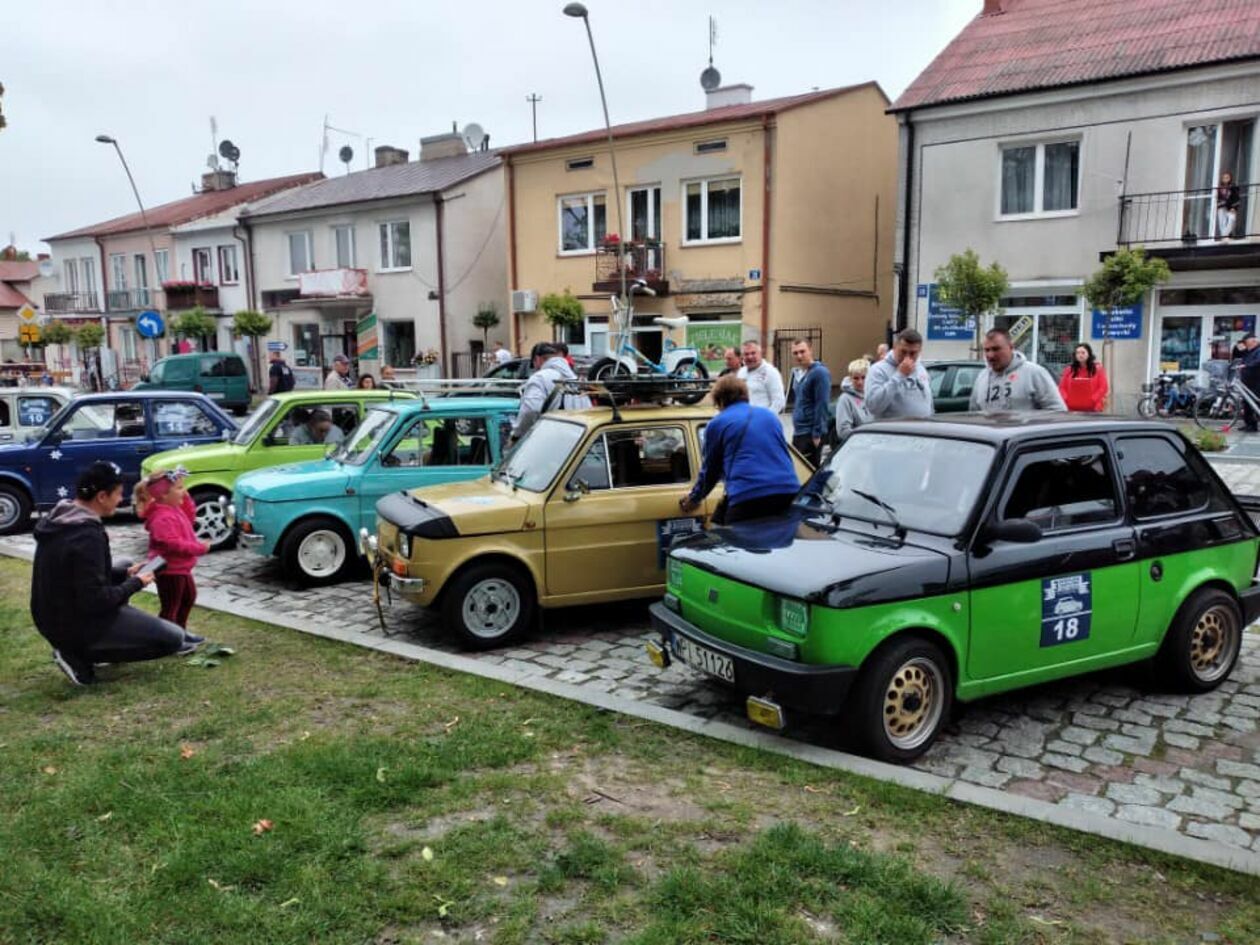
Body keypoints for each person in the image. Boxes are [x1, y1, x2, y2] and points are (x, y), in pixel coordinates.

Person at [29, 461, 191, 686]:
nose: (121, 499)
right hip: (70, 625)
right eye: (118, 494)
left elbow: (77, 575)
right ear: (102, 497)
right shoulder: (86, 535)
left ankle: (97, 643)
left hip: (52, 614)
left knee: (124, 564)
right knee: (173, 638)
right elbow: (95, 600)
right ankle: (78, 654)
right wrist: (136, 582)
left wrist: (126, 573)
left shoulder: (62, 517)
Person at [680, 375, 800, 524]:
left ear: (720, 400)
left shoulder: (717, 423)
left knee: (728, 534)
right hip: (789, 490)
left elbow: (711, 470)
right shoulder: (770, 416)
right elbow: (783, 454)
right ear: (745, 395)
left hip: (748, 495)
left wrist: (694, 499)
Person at [139, 469, 209, 631]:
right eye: (179, 488)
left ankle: (180, 631)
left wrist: (185, 497)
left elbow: (190, 517)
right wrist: (198, 548)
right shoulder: (161, 518)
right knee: (171, 606)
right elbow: (172, 544)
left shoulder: (174, 509)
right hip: (169, 569)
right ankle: (167, 636)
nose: (184, 491)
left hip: (180, 567)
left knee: (188, 598)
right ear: (163, 495)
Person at [970, 328, 1066, 413]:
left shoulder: (1034, 373)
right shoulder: (982, 377)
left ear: (1011, 347)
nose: (990, 355)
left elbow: (1058, 412)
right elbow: (974, 414)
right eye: (987, 350)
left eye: (996, 349)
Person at [509, 342, 591, 442]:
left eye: (533, 365)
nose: (535, 368)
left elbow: (531, 410)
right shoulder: (575, 380)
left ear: (537, 359)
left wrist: (516, 436)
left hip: (551, 440)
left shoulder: (540, 378)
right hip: (578, 442)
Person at [866, 328, 934, 419]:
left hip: (922, 426)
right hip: (893, 427)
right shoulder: (878, 370)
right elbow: (873, 406)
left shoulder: (921, 368)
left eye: (913, 353)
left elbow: (929, 402)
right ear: (895, 347)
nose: (907, 357)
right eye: (903, 352)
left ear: (919, 351)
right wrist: (900, 375)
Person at [789, 339, 832, 466]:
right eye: (795, 353)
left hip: (810, 434)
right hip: (799, 432)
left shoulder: (819, 372)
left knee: (808, 472)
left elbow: (822, 403)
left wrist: (817, 434)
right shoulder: (798, 373)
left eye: (802, 351)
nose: (799, 356)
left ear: (811, 351)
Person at [736, 341, 786, 414]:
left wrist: (765, 417)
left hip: (763, 418)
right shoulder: (741, 373)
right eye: (746, 354)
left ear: (760, 354)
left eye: (753, 353)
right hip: (744, 417)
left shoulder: (771, 372)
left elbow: (779, 402)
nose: (750, 357)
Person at [1058, 343, 1109, 412]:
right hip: (1071, 408)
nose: (1080, 355)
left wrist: (1093, 400)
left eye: (1083, 353)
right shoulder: (1069, 369)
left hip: (1093, 408)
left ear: (1089, 354)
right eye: (1078, 353)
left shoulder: (1098, 369)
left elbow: (1103, 387)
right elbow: (1061, 387)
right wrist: (1067, 399)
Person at [835, 358, 872, 442]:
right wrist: (866, 439)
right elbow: (843, 431)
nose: (860, 382)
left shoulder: (874, 395)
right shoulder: (845, 399)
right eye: (856, 378)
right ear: (850, 378)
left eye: (863, 377)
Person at [1238, 334, 1260, 432]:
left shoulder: (1258, 351)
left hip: (1255, 381)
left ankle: (1253, 425)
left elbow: (1258, 362)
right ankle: (1248, 424)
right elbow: (1240, 357)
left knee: (1253, 403)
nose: (1246, 344)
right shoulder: (1249, 351)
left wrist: (1246, 365)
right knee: (1246, 403)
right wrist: (1241, 350)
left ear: (1253, 341)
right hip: (1247, 381)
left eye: (1247, 341)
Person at [1217, 171, 1240, 241]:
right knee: (1222, 222)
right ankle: (1225, 237)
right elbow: (1217, 198)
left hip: (1230, 207)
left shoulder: (1233, 187)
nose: (1225, 179)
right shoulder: (1219, 188)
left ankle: (1225, 235)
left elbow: (1236, 197)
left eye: (1227, 177)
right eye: (1224, 178)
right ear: (1222, 179)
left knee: (1232, 218)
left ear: (1230, 178)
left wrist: (1234, 207)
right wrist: (1217, 205)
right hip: (1221, 206)